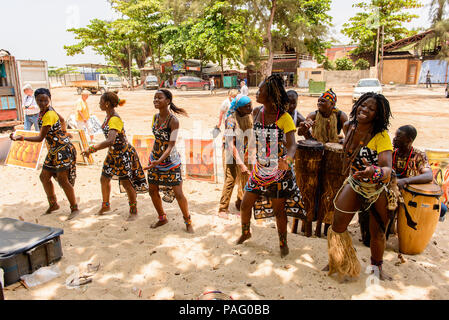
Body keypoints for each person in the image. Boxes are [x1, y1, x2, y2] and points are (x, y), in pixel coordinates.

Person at [324, 92, 395, 282]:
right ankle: (338, 261)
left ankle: (376, 268)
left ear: (378, 115)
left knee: (378, 232)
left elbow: (387, 168)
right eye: (363, 105)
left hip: (377, 189)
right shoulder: (349, 127)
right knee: (337, 225)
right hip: (355, 183)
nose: (365, 110)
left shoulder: (381, 137)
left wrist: (374, 171)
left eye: (371, 109)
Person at [236, 75, 305, 258]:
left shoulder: (285, 118)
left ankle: (283, 244)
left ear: (271, 94)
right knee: (245, 205)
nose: (257, 93)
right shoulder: (257, 112)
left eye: (260, 91)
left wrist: (287, 161)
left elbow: (292, 145)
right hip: (260, 169)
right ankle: (245, 232)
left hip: (278, 172)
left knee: (279, 211)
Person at [10, 88, 79, 220]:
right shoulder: (49, 110)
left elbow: (40, 138)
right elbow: (63, 119)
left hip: (62, 150)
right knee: (44, 177)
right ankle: (53, 204)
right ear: (35, 100)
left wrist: (22, 138)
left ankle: (74, 208)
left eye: (45, 100)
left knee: (63, 181)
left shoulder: (48, 115)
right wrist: (64, 132)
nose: (42, 103)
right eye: (40, 100)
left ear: (49, 99)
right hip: (54, 150)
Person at [81, 92, 148, 221]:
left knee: (126, 183)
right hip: (113, 154)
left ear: (106, 104)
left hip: (122, 154)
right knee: (104, 179)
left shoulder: (114, 119)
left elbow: (111, 140)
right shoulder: (108, 117)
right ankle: (106, 205)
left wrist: (92, 148)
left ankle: (133, 210)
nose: (99, 103)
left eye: (100, 101)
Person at [145, 89, 194, 233]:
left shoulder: (174, 121)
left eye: (159, 98)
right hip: (155, 159)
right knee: (152, 190)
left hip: (170, 161)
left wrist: (159, 160)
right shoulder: (155, 117)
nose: (155, 100)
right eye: (154, 98)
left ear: (168, 101)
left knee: (178, 193)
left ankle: (188, 221)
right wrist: (155, 160)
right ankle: (162, 218)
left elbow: (171, 145)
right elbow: (158, 139)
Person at [391, 125, 447, 221]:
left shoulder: (418, 155)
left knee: (442, 209)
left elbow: (429, 176)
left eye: (398, 137)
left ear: (409, 140)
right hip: (394, 191)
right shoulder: (391, 153)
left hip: (413, 193)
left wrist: (405, 181)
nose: (394, 139)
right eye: (395, 136)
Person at [219, 94, 253, 218]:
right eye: (247, 106)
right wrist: (240, 163)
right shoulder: (230, 121)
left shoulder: (249, 115)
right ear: (239, 108)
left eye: (250, 105)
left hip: (243, 149)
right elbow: (229, 144)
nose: (250, 108)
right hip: (230, 150)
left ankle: (240, 202)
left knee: (244, 178)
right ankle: (223, 208)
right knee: (231, 178)